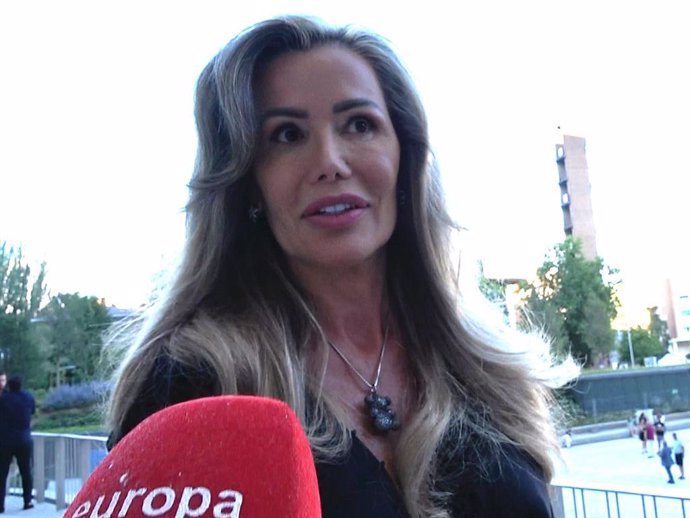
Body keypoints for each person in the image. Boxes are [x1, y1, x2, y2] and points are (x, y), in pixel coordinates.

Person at [106, 16, 569, 517]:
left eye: (359, 124)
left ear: (404, 157)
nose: (330, 161)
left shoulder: (487, 369)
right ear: (247, 183)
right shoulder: (191, 386)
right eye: (286, 135)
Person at [0, 376, 36, 512]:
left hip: (5, 441)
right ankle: (28, 501)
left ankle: (0, 505)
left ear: (8, 385)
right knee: (26, 471)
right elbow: (32, 411)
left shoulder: (3, 399)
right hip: (24, 439)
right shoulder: (28, 397)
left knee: (2, 474)